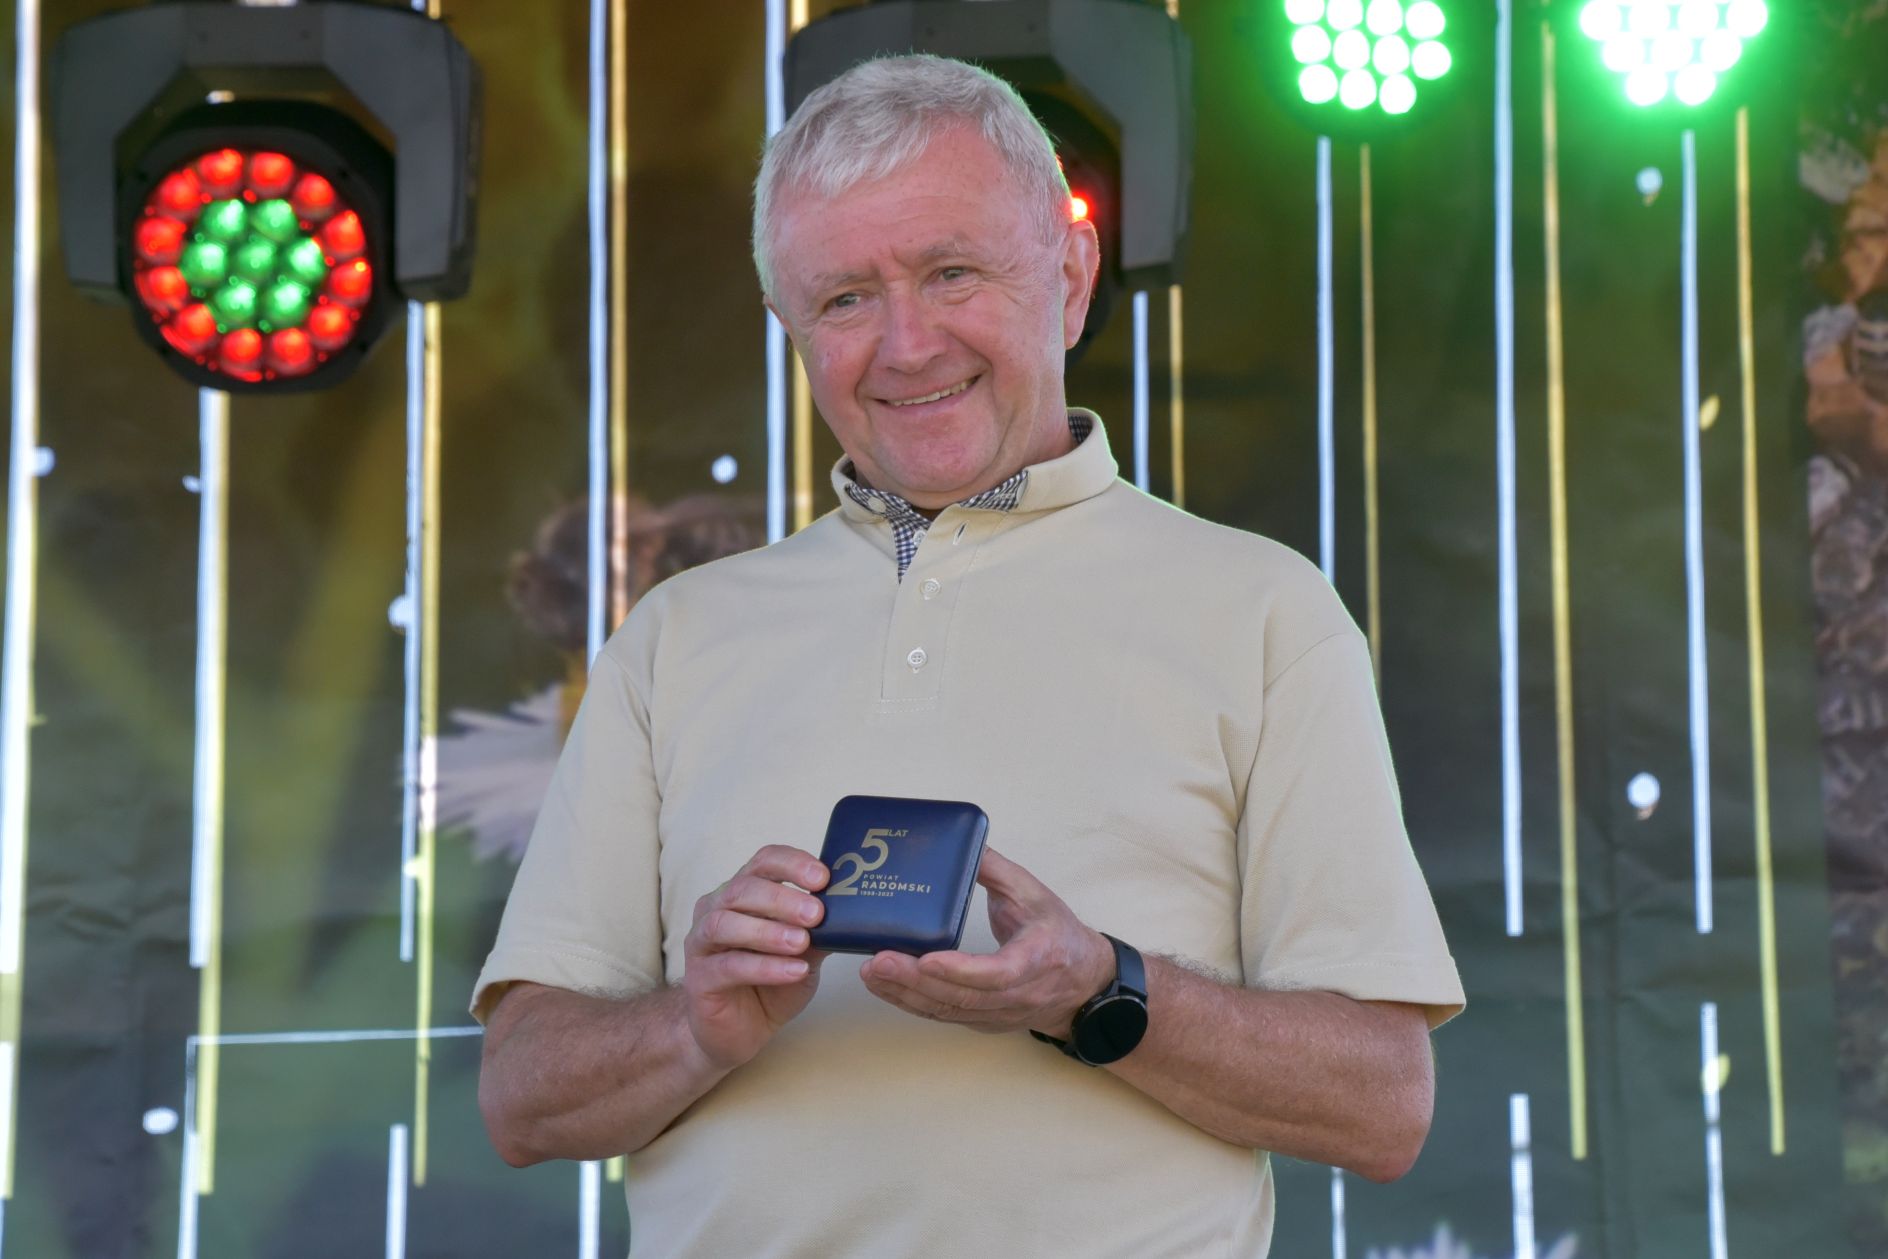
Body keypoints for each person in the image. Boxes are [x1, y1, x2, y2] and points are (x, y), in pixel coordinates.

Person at [472, 53, 1464, 1258]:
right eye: (845, 298)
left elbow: (1381, 1103)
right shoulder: (671, 638)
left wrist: (1103, 990)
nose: (905, 344)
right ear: (791, 330)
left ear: (1071, 274)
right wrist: (692, 1024)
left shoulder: (1264, 611)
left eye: (950, 273)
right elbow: (521, 1094)